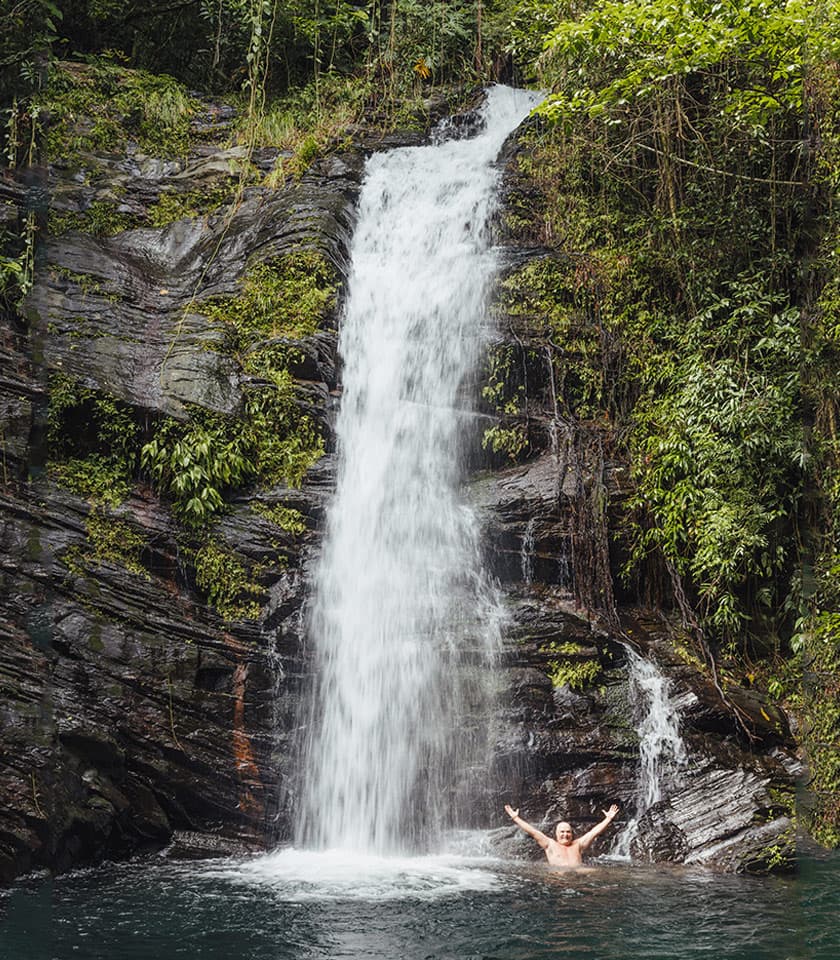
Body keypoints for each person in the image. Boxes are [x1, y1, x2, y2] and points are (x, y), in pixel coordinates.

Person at [504, 803, 620, 866]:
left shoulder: (578, 845)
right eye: (562, 832)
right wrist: (515, 818)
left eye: (568, 832)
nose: (565, 834)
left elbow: (594, 832)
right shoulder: (549, 844)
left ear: (572, 834)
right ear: (556, 834)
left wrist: (608, 819)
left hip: (580, 877)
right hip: (558, 879)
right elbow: (533, 831)